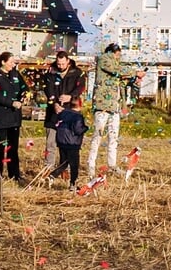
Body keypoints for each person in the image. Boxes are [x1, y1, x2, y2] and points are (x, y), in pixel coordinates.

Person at [87, 44, 142, 178]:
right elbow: (117, 69)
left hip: (114, 108)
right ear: (112, 53)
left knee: (113, 138)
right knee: (97, 137)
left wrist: (135, 81)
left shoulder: (115, 69)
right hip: (103, 107)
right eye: (117, 55)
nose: (118, 58)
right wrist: (135, 72)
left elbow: (121, 82)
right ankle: (91, 167)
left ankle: (112, 166)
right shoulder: (104, 59)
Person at [38, 51, 86, 177]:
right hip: (53, 113)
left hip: (70, 114)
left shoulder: (77, 73)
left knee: (67, 144)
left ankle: (65, 169)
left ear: (68, 61)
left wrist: (71, 97)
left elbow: (80, 88)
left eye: (63, 63)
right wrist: (54, 103)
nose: (60, 66)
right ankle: (48, 169)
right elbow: (48, 89)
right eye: (58, 64)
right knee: (51, 143)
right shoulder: (50, 73)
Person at [0, 51, 27, 182]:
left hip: (14, 118)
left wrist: (23, 97)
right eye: (11, 62)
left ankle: (14, 174)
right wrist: (11, 103)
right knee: (0, 147)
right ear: (3, 62)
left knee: (13, 148)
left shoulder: (15, 74)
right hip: (0, 117)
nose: (13, 64)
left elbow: (24, 87)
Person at [48, 94, 88, 187]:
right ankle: (73, 184)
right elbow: (78, 130)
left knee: (64, 163)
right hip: (72, 143)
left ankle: (52, 175)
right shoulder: (78, 117)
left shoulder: (63, 113)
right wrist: (85, 128)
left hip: (62, 142)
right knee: (74, 165)